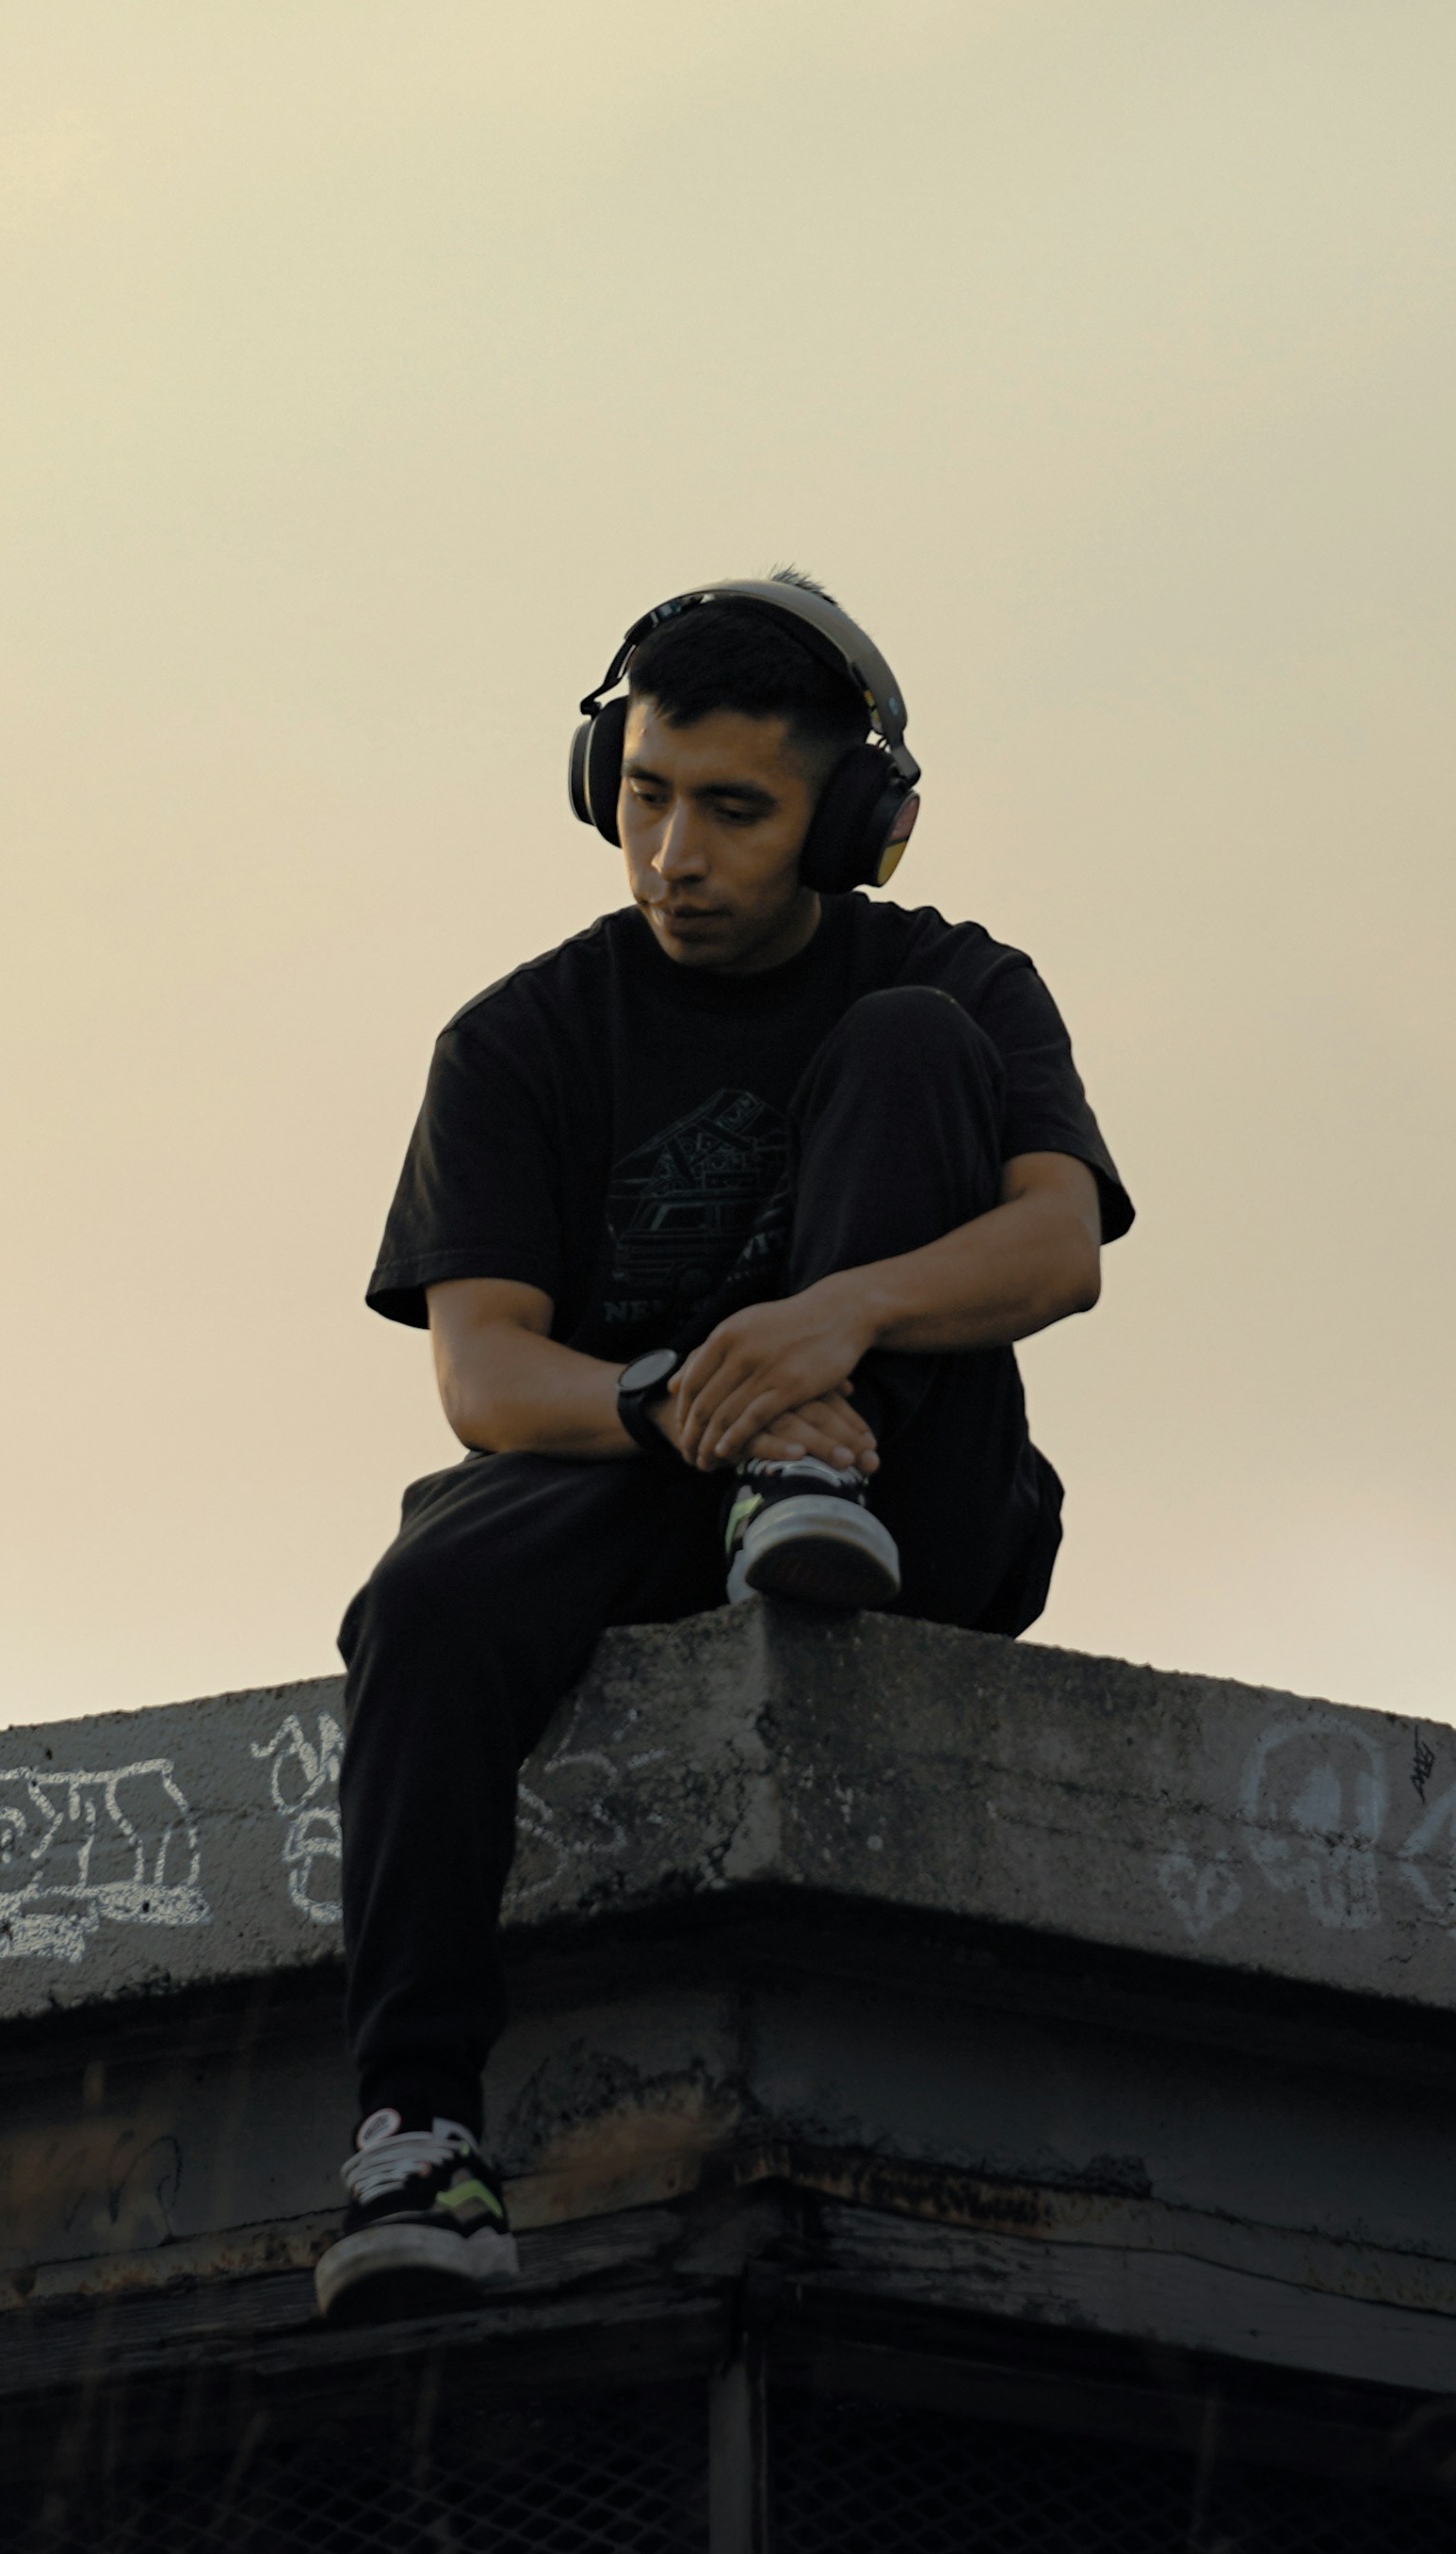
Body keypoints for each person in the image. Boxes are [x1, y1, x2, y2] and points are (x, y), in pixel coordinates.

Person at [317, 574, 1130, 2323]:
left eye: (736, 812)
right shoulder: (518, 1037)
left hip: (925, 1494)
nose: (674, 852)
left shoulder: (955, 982)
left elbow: (1056, 1250)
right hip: (659, 1477)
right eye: (645, 799)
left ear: (851, 825)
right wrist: (677, 1396)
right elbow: (485, 1374)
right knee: (425, 1596)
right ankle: (420, 2138)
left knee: (906, 1053)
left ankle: (814, 1473)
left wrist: (834, 1330)